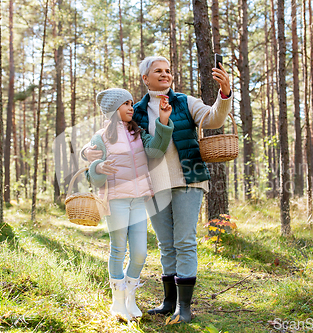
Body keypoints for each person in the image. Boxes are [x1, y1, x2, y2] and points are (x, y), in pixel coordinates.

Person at [84, 56, 232, 324]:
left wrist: (224, 94)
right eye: (158, 71)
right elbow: (113, 138)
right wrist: (90, 152)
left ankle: (184, 308)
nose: (165, 75)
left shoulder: (185, 102)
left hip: (188, 177)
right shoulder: (136, 110)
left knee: (184, 241)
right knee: (166, 244)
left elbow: (213, 119)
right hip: (151, 186)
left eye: (168, 71)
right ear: (145, 78)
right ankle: (169, 302)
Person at [86, 88, 174, 322]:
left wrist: (164, 121)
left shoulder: (138, 133)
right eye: (125, 103)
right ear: (113, 109)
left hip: (139, 200)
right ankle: (117, 302)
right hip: (115, 199)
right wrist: (98, 168)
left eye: (131, 103)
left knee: (139, 253)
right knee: (118, 249)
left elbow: (155, 150)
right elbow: (90, 173)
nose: (130, 107)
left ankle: (129, 297)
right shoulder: (100, 137)